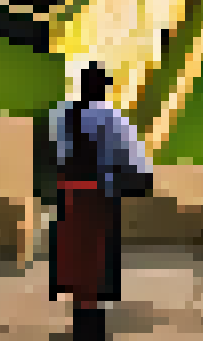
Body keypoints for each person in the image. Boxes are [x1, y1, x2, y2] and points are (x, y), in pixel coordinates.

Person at [37, 61, 155, 341]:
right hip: (99, 199)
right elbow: (138, 166)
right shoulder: (114, 120)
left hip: (68, 198)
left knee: (75, 261)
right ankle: (92, 329)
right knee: (98, 262)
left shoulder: (60, 115)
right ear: (103, 88)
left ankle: (82, 322)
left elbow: (48, 157)